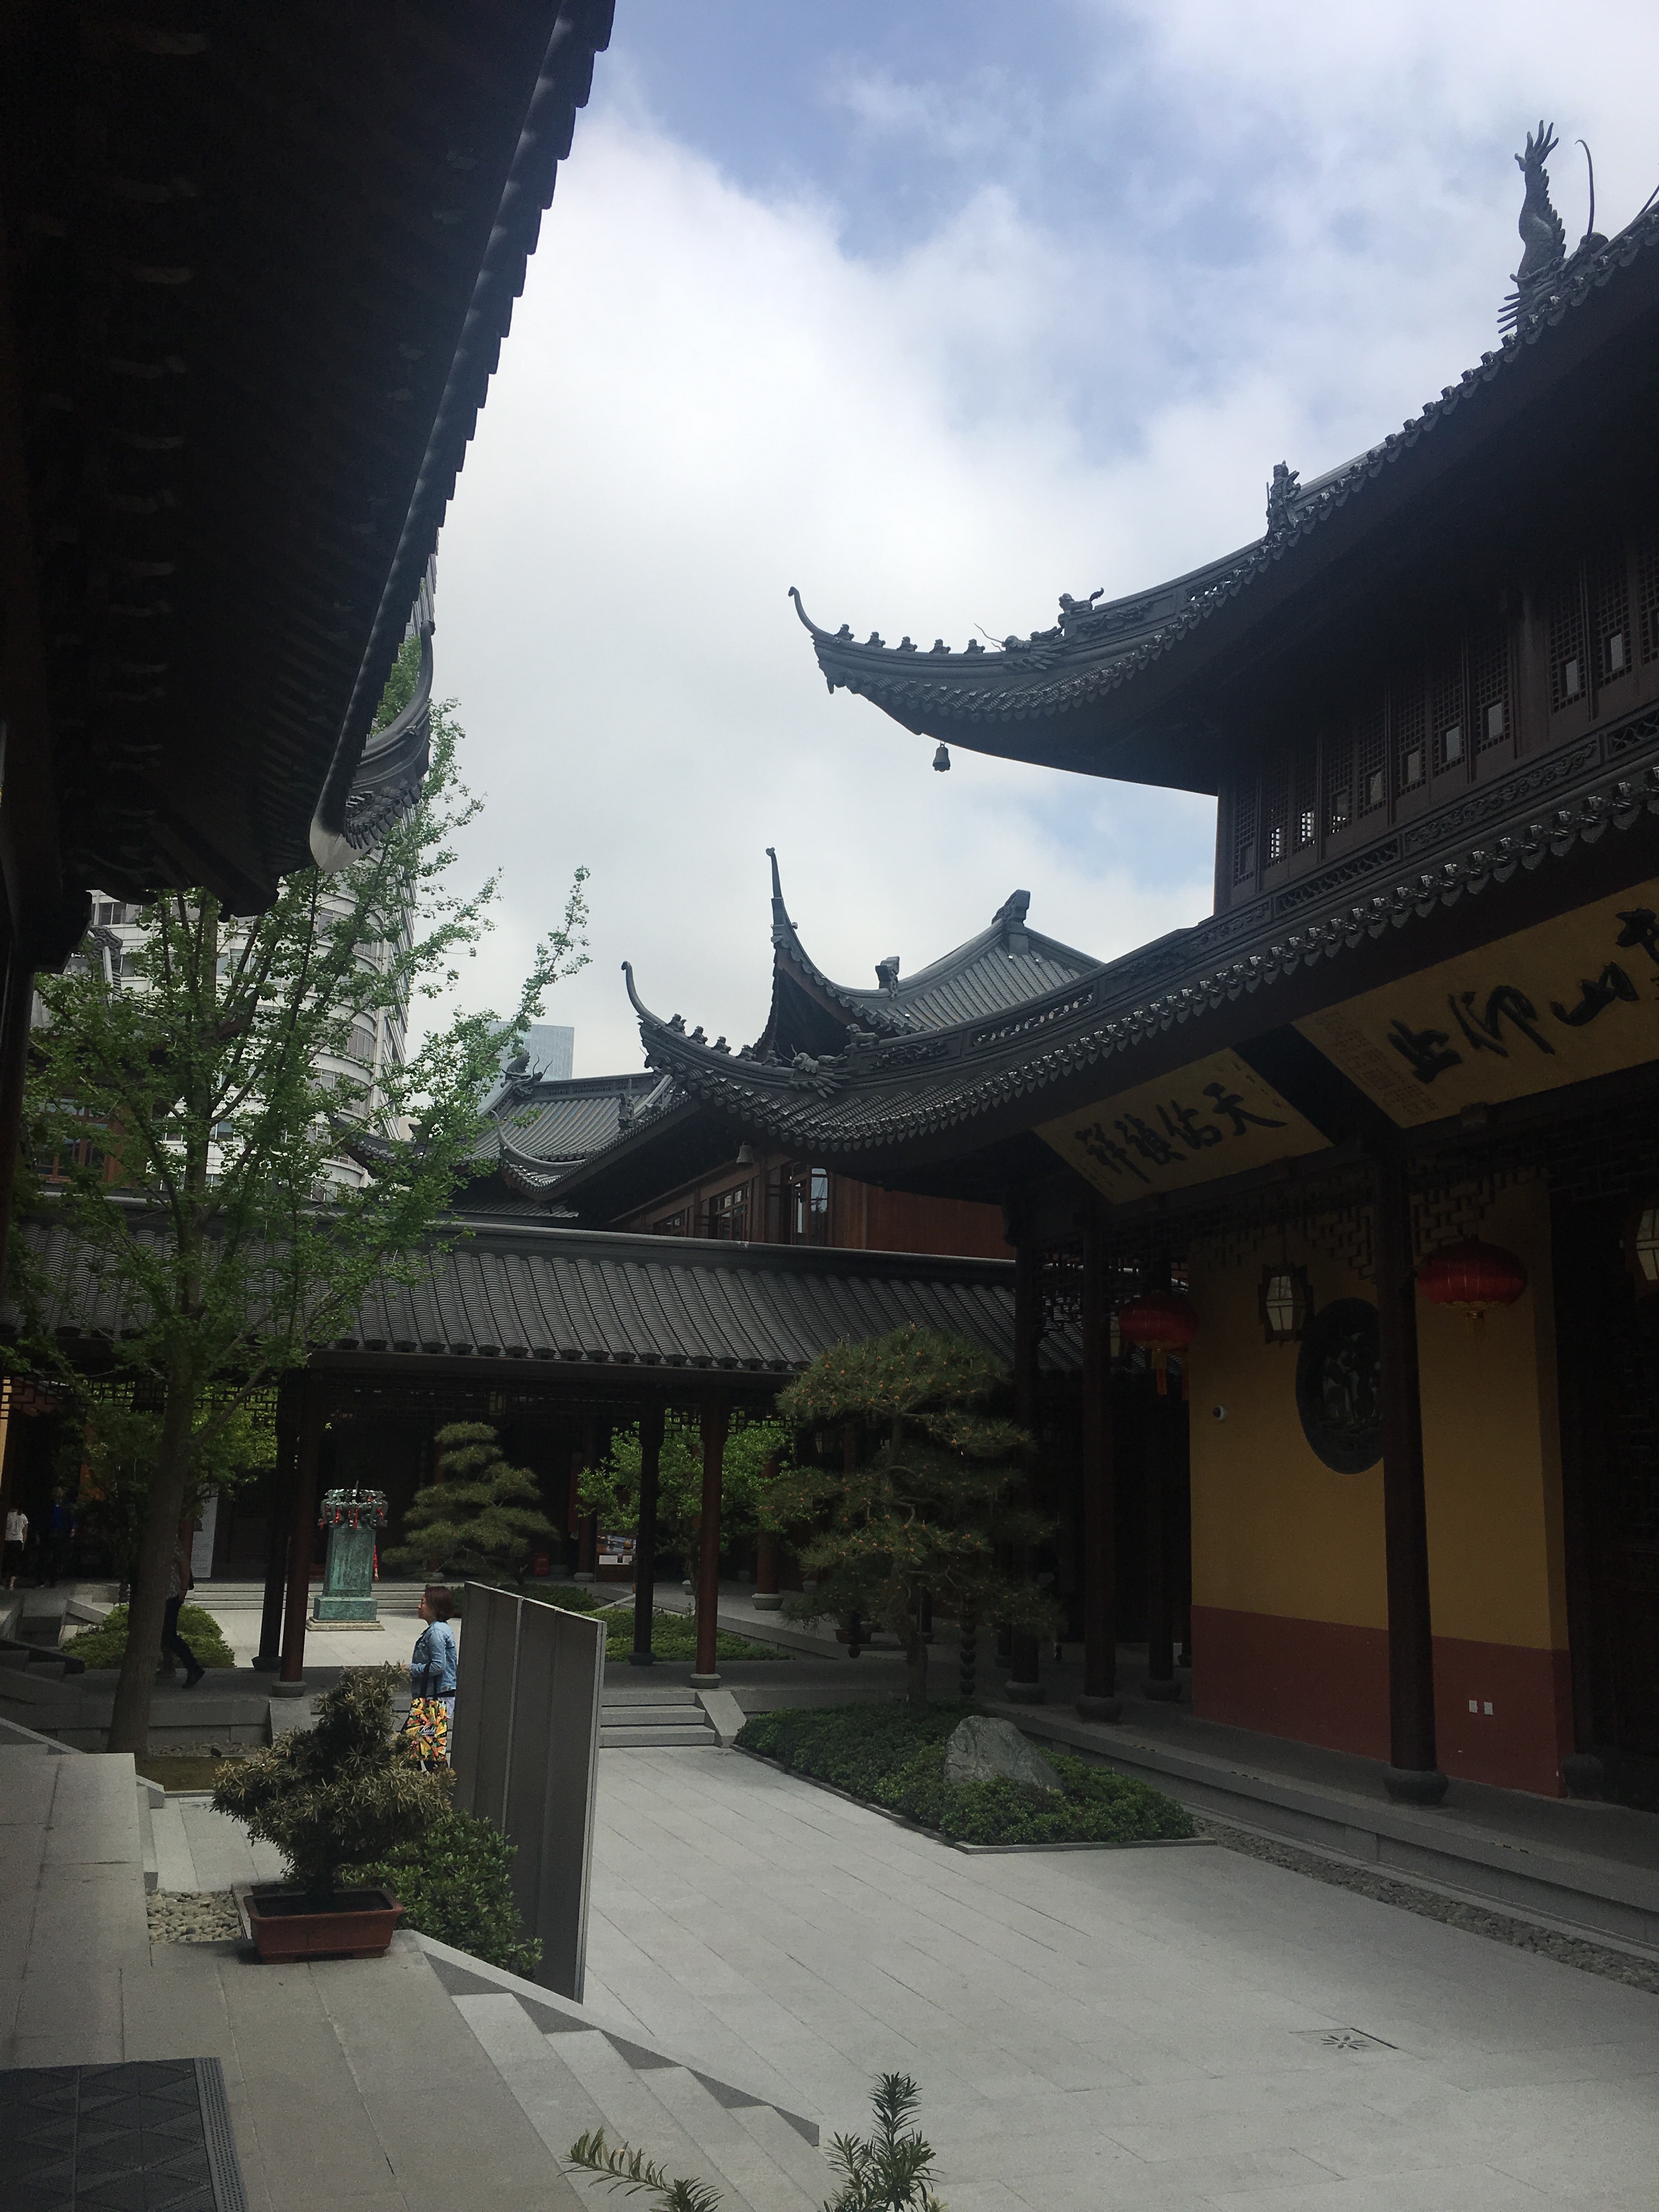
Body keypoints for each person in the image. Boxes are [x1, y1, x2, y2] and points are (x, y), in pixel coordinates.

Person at [407, 1585, 459, 1767]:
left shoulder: (436, 1633)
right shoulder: (437, 1630)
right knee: (418, 1750)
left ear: (435, 1608)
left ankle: (441, 1784)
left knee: (429, 1755)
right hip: (432, 1697)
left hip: (434, 1699)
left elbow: (438, 1666)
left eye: (423, 1603)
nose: (419, 1606)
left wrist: (413, 1670)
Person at [163, 1529, 206, 1688]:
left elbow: (184, 1564)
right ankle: (170, 1666)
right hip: (162, 1595)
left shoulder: (171, 1542)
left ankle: (193, 1667)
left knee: (169, 1635)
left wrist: (184, 1587)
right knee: (166, 1635)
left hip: (171, 1594)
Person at [44, 1493, 76, 1587]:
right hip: (51, 1531)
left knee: (58, 1556)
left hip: (61, 1532)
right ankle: (48, 1577)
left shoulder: (66, 1506)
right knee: (49, 1555)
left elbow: (71, 1519)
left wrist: (72, 1528)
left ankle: (53, 1578)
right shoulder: (50, 1506)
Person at [3, 1503, 27, 1588]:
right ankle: (12, 1583)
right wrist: (23, 1544)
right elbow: (25, 1533)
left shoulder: (7, 1516)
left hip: (7, 1539)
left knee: (6, 1561)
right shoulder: (23, 1517)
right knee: (15, 1562)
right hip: (18, 1540)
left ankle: (3, 1580)